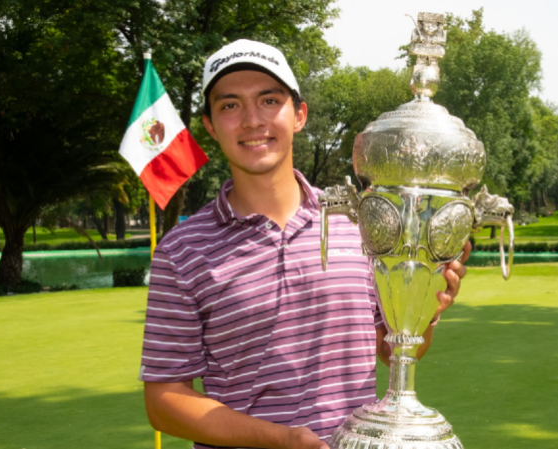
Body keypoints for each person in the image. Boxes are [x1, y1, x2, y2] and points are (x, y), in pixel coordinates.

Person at [139, 39, 469, 449]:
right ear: (209, 125)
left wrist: (423, 310)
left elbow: (393, 351)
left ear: (298, 115)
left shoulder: (362, 224)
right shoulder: (181, 250)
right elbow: (165, 400)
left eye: (269, 100)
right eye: (229, 105)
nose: (251, 120)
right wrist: (282, 440)